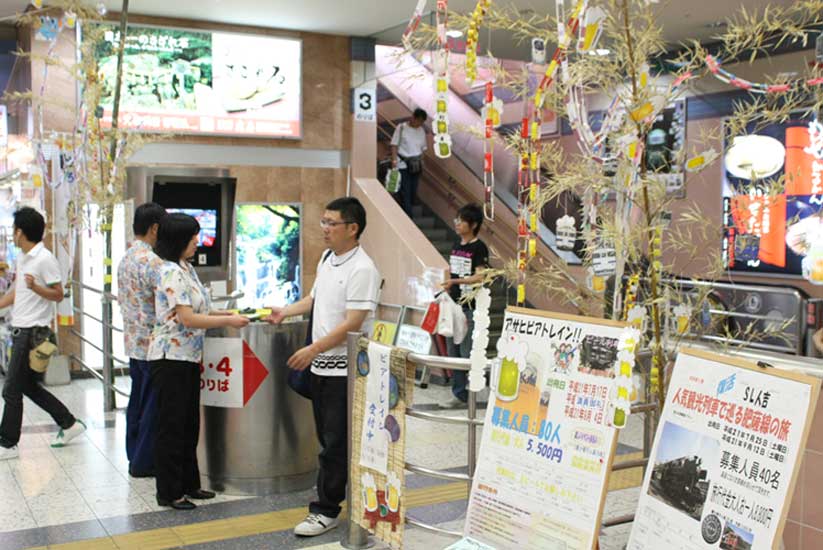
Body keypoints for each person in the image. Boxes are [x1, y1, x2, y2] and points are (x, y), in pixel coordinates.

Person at [266, 197, 381, 537]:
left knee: (336, 442)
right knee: (329, 438)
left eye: (332, 223)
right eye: (324, 222)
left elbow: (354, 323)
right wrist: (286, 311)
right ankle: (338, 499)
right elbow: (315, 300)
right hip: (322, 369)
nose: (325, 229)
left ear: (352, 228)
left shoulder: (363, 268)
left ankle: (326, 510)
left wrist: (312, 349)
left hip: (344, 371)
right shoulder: (329, 258)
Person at [148, 213, 250, 509]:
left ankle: (190, 484)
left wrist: (229, 316)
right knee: (171, 425)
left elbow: (201, 307)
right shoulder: (168, 272)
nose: (197, 241)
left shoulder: (186, 269)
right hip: (170, 358)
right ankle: (168, 492)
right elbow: (187, 318)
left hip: (189, 357)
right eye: (193, 237)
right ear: (178, 239)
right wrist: (228, 319)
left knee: (189, 423)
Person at [0, 207, 86, 460]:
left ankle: (7, 443)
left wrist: (36, 287)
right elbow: (18, 293)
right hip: (21, 329)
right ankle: (69, 423)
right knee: (26, 386)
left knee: (11, 389)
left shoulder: (44, 258)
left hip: (33, 332)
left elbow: (59, 294)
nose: (12, 235)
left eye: (15, 230)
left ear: (21, 232)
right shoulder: (24, 257)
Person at [117, 202, 166, 478]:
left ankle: (134, 454)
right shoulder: (153, 262)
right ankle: (144, 462)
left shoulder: (126, 258)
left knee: (136, 402)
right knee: (152, 407)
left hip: (133, 343)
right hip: (153, 346)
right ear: (155, 228)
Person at [440, 204, 489, 409]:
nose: (457, 224)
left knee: (467, 350)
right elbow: (452, 271)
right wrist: (446, 284)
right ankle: (459, 394)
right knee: (453, 350)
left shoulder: (479, 248)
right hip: (454, 305)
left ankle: (474, 392)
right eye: (456, 220)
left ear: (474, 224)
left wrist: (456, 283)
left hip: (470, 305)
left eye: (462, 220)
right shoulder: (456, 245)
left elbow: (481, 276)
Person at [391, 108, 428, 217]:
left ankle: (407, 212)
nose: (420, 124)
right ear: (413, 117)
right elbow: (394, 145)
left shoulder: (421, 130)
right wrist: (394, 161)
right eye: (419, 121)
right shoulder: (401, 127)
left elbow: (423, 149)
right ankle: (409, 218)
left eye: (422, 122)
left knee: (412, 192)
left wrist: (422, 163)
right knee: (405, 191)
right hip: (402, 164)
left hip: (416, 166)